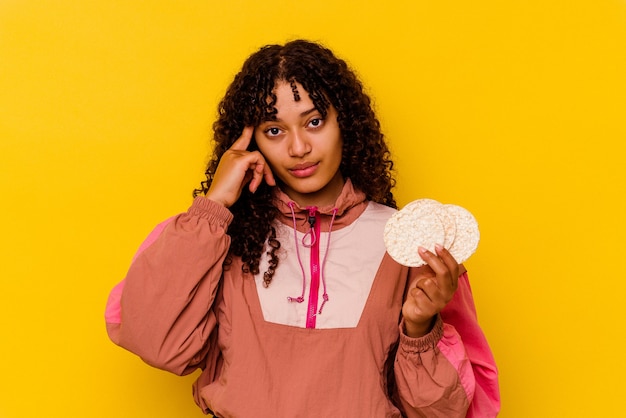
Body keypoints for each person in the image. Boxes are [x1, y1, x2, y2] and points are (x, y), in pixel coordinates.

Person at [105, 39, 500, 417]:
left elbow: (449, 411)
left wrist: (420, 328)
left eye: (314, 121)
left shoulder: (409, 247)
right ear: (250, 141)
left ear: (345, 122)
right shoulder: (219, 238)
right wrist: (214, 206)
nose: (298, 148)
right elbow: (153, 341)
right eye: (274, 130)